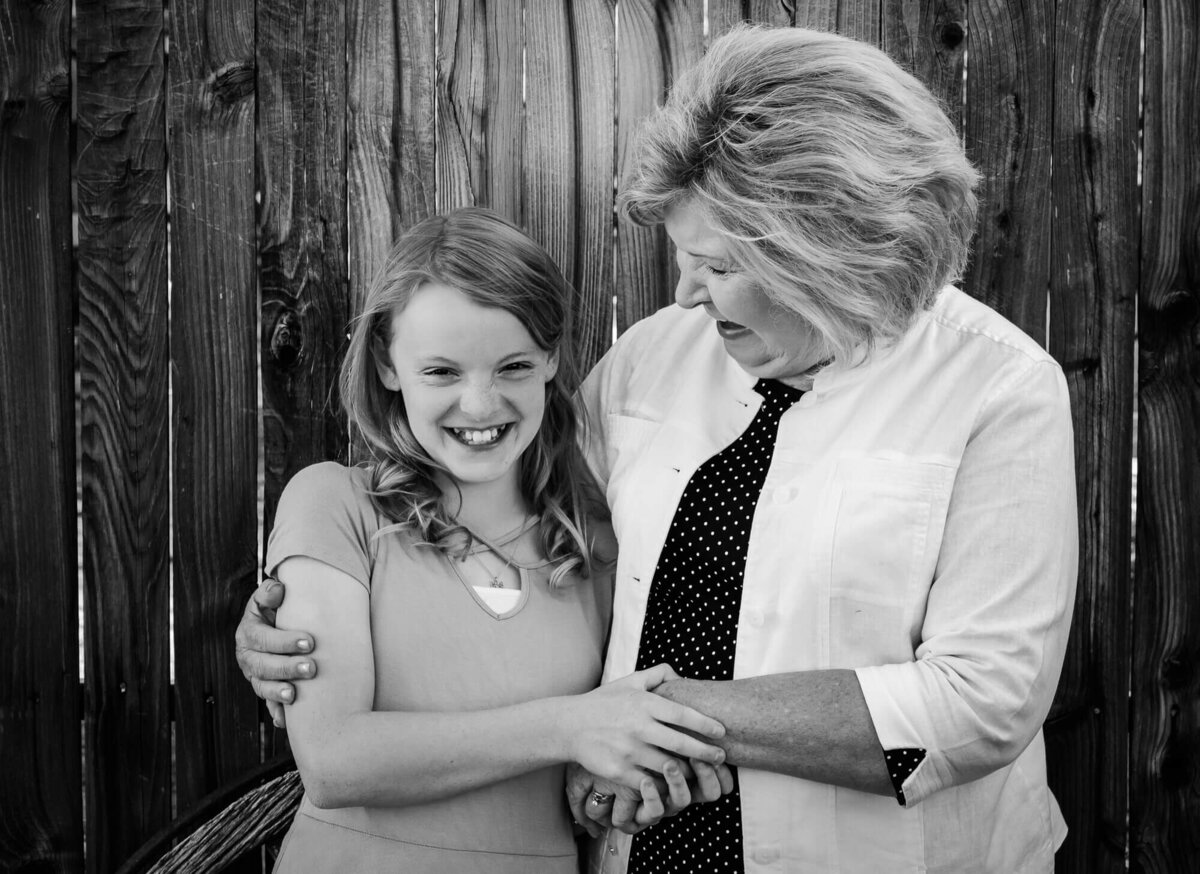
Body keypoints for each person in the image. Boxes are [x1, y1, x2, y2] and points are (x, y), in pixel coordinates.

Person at [237, 25, 1078, 874]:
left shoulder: (998, 391)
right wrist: (302, 616)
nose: (684, 292)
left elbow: (981, 703)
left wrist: (659, 719)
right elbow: (510, 538)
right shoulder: (651, 358)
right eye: (682, 257)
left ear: (824, 256)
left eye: (714, 266)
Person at [256, 207, 732, 873]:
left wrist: (612, 784)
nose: (480, 406)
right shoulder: (336, 503)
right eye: (442, 373)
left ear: (550, 359)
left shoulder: (598, 540)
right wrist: (572, 725)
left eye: (510, 367)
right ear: (389, 367)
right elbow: (334, 762)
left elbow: (592, 772)